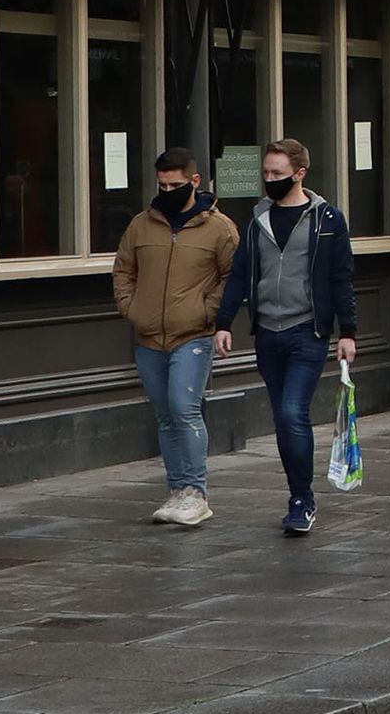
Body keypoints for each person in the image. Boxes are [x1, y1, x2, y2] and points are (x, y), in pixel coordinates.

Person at [213, 135, 359, 538]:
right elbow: (241, 273)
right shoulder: (258, 219)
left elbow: (341, 276)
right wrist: (224, 322)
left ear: (299, 173)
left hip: (307, 332)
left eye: (277, 173)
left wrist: (348, 331)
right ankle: (297, 493)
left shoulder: (327, 221)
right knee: (283, 418)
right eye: (265, 173)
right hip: (268, 334)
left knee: (293, 412)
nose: (270, 179)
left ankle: (302, 499)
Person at [111, 149, 236, 527]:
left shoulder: (219, 228)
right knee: (165, 416)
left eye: (176, 185)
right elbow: (123, 270)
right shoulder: (140, 226)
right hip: (148, 335)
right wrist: (132, 309)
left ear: (194, 182)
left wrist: (206, 311)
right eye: (162, 185)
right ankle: (177, 489)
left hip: (193, 334)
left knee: (185, 409)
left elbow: (233, 277)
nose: (167, 190)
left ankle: (196, 492)